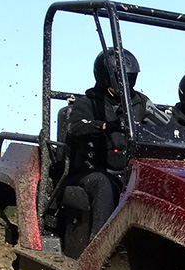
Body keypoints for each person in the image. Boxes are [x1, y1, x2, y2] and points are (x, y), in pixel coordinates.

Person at [66, 47, 155, 238]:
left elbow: (163, 125)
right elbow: (76, 128)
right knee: (104, 184)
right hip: (92, 171)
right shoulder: (87, 103)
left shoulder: (141, 103)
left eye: (129, 79)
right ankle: (97, 248)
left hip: (130, 173)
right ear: (105, 78)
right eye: (120, 79)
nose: (126, 85)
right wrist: (107, 126)